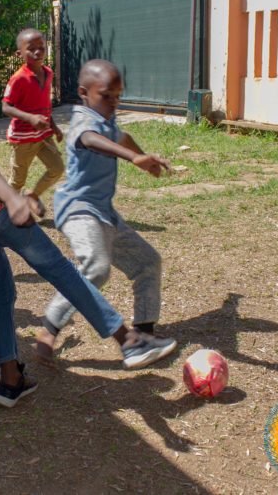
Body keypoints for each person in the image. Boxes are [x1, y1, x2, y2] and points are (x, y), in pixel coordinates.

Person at [0, 36, 176, 408]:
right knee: (62, 270)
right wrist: (13, 198)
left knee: (1, 292)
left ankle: (11, 379)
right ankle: (127, 340)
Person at [36, 59, 178, 363]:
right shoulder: (83, 122)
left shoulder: (106, 120)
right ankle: (50, 325)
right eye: (106, 95)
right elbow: (92, 141)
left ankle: (145, 331)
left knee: (148, 262)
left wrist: (142, 157)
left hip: (104, 213)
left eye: (118, 95)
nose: (113, 102)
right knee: (96, 268)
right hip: (78, 209)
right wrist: (131, 158)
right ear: (84, 93)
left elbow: (120, 136)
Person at [1, 28, 64, 218]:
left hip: (43, 136)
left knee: (57, 169)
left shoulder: (48, 73)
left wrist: (54, 126)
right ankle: (5, 212)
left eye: (41, 47)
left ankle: (33, 196)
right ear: (19, 53)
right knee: (17, 182)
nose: (37, 52)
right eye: (31, 49)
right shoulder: (18, 78)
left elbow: (45, 104)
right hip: (23, 139)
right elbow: (6, 107)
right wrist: (30, 118)